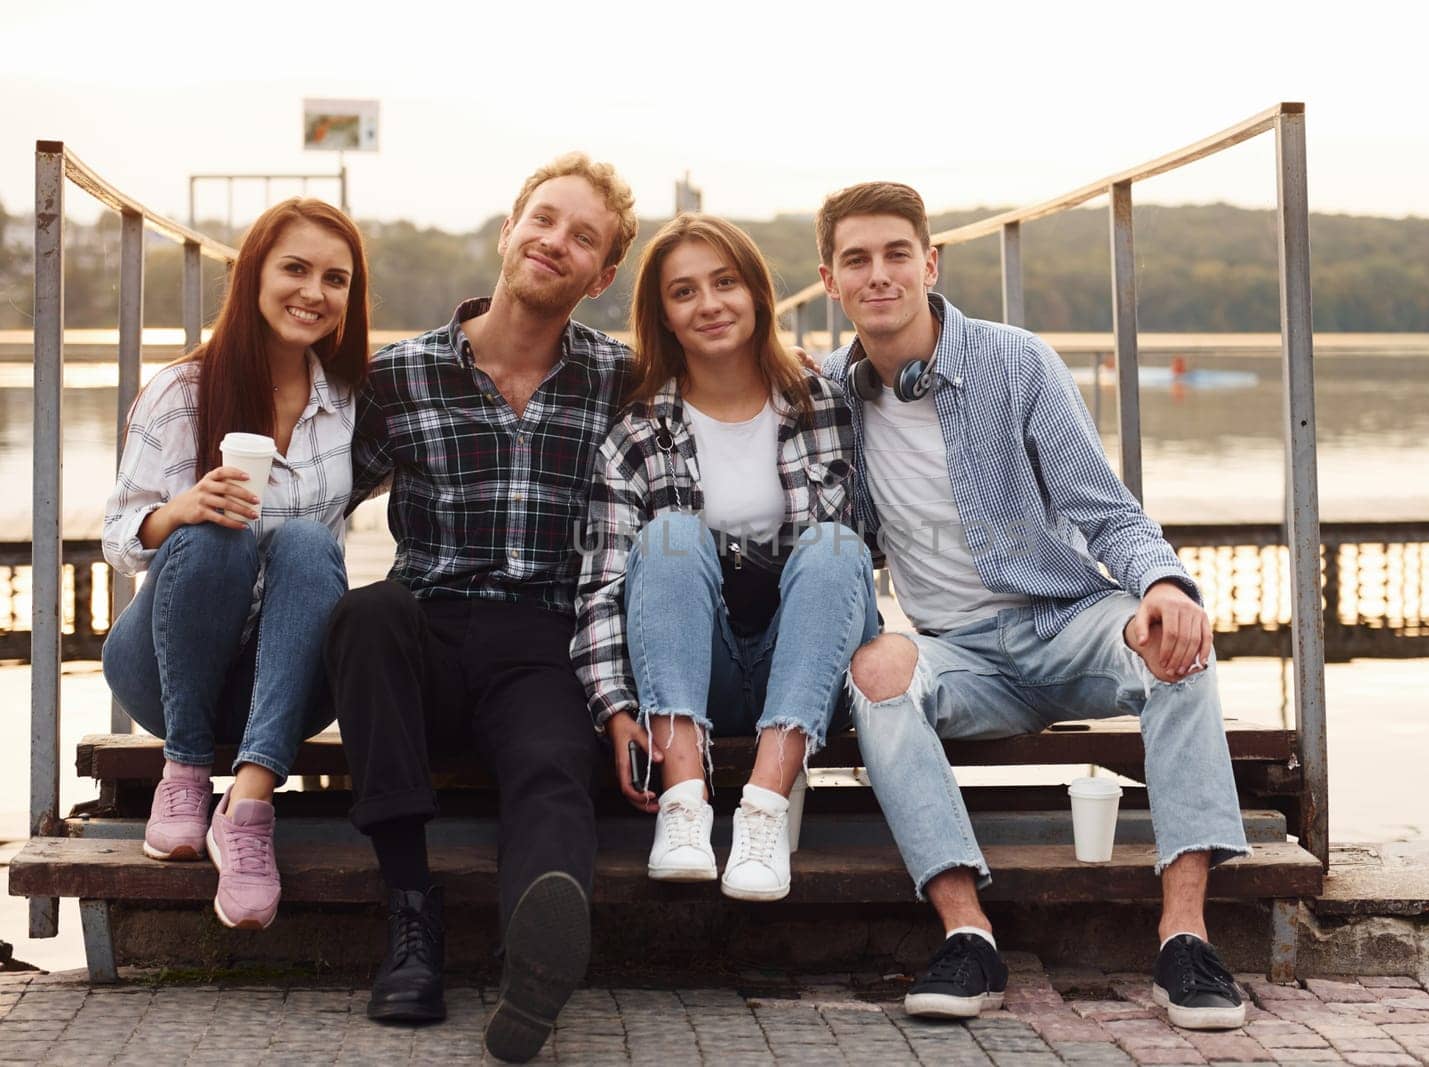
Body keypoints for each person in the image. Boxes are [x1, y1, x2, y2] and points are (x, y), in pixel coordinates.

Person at [815, 182, 1252, 1029]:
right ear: (829, 281)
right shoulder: (828, 396)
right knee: (876, 674)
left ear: (930, 263)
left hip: (1067, 621)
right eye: (856, 260)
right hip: (958, 654)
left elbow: (1104, 507)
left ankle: (1185, 935)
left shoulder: (1017, 362)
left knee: (1176, 646)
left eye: (897, 254)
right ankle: (967, 934)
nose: (880, 275)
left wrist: (1163, 584)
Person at [323, 152, 637, 1062]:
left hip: (543, 638)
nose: (556, 242)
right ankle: (412, 924)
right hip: (422, 626)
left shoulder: (620, 381)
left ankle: (537, 962)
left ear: (604, 275)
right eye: (543, 219)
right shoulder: (400, 376)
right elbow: (312, 499)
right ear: (508, 231)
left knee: (551, 762)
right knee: (364, 613)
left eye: (584, 237)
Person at [573, 214, 875, 903]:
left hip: (799, 664)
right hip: (689, 668)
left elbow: (856, 570)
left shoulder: (824, 404)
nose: (709, 304)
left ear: (757, 294)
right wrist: (614, 705)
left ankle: (765, 811)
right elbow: (602, 586)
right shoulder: (638, 431)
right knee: (669, 536)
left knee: (834, 546)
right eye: (684, 293)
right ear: (665, 318)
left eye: (725, 282)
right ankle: (684, 804)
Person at [101, 198, 370, 932]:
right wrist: (179, 509)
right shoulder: (180, 391)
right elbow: (118, 538)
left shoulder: (348, 402)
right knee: (219, 533)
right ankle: (184, 774)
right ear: (253, 273)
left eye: (335, 278)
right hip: (165, 670)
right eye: (295, 268)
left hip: (279, 683)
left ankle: (247, 807)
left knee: (313, 546)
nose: (314, 291)